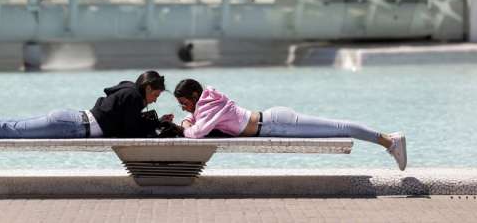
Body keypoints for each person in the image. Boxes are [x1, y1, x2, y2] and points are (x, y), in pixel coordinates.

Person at [0, 70, 171, 164]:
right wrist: (158, 124)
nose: (156, 99)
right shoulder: (132, 97)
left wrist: (157, 122)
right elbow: (129, 130)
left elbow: (124, 123)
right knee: (13, 129)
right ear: (148, 87)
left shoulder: (129, 91)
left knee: (14, 128)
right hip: (71, 126)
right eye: (156, 93)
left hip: (71, 122)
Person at [172, 79, 408, 171]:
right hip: (273, 123)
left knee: (340, 128)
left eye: (184, 103)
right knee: (338, 127)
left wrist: (184, 123)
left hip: (278, 124)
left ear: (194, 95)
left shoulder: (207, 108)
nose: (184, 108)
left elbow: (196, 133)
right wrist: (189, 117)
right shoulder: (207, 105)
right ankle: (388, 140)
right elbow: (199, 124)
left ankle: (389, 140)